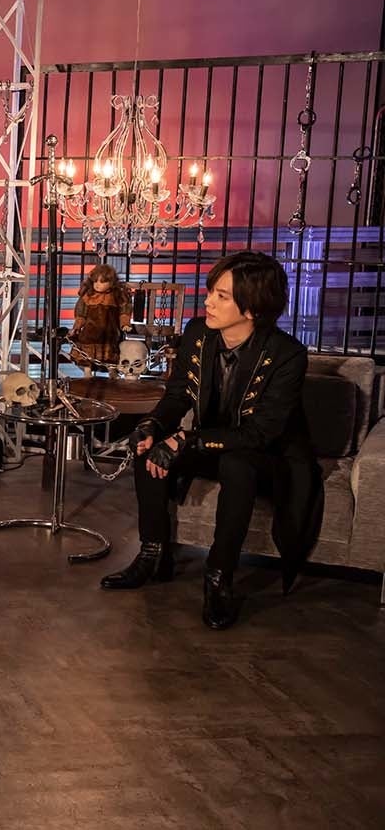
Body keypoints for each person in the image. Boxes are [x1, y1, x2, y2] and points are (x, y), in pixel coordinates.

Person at [100, 251, 323, 629]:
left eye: (222, 296)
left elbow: (260, 433)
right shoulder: (198, 334)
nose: (208, 302)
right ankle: (153, 554)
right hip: (210, 441)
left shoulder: (287, 355)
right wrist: (152, 427)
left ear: (252, 309)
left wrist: (186, 440)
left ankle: (219, 578)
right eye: (210, 292)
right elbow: (177, 396)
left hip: (268, 455)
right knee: (148, 450)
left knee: (237, 465)